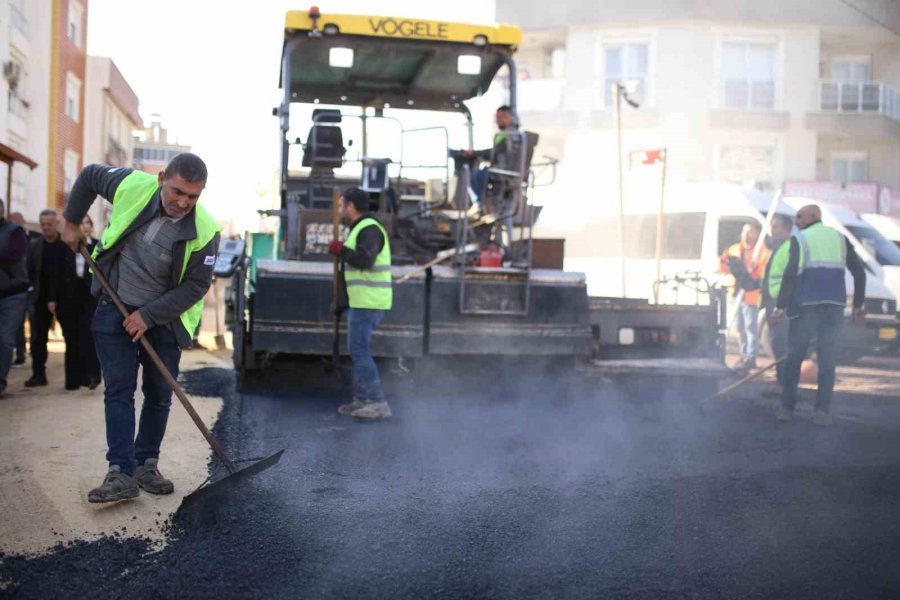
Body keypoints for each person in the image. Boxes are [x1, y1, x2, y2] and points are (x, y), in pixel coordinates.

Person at [60, 154, 220, 503]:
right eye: (177, 192)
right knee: (119, 389)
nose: (183, 203)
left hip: (164, 318)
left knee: (159, 393)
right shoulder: (131, 185)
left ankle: (146, 464)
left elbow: (196, 286)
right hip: (114, 304)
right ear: (162, 178)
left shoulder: (206, 230)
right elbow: (89, 176)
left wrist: (148, 316)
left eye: (193, 196)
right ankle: (120, 471)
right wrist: (71, 221)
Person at [771, 204, 866, 426]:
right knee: (827, 360)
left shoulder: (801, 239)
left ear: (814, 216)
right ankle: (822, 411)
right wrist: (858, 306)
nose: (796, 221)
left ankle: (786, 408)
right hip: (834, 307)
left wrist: (779, 307)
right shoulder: (839, 238)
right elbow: (859, 272)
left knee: (794, 358)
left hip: (806, 306)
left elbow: (790, 274)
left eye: (800, 217)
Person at [327, 187, 393, 422]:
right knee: (358, 351)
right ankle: (363, 400)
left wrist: (341, 250)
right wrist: (342, 303)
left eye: (341, 205)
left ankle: (377, 403)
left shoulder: (369, 229)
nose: (339, 210)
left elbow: (365, 260)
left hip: (369, 301)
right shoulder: (361, 229)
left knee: (359, 351)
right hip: (362, 301)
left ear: (351, 206)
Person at [50, 215, 101, 389]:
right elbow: (55, 274)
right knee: (71, 337)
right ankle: (73, 380)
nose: (84, 227)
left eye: (87, 223)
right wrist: (52, 298)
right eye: (80, 223)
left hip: (90, 296)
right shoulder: (64, 246)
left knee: (90, 335)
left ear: (91, 226)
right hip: (69, 296)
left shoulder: (98, 245)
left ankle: (93, 376)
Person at [25, 210, 70, 388]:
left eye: (49, 224)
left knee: (71, 337)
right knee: (37, 339)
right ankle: (38, 374)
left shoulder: (66, 245)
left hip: (63, 298)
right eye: (43, 224)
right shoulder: (35, 245)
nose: (45, 228)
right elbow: (29, 271)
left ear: (56, 224)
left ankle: (74, 377)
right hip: (40, 298)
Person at [720, 222, 770, 370]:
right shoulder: (734, 249)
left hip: (751, 295)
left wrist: (754, 269)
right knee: (739, 328)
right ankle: (743, 355)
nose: (746, 235)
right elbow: (723, 269)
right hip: (736, 294)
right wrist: (723, 261)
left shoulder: (763, 252)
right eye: (744, 231)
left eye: (750, 232)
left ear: (757, 234)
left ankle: (751, 357)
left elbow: (764, 274)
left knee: (750, 328)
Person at [759, 214, 793, 396]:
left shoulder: (790, 249)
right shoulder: (777, 250)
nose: (772, 230)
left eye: (776, 226)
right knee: (777, 345)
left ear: (786, 229)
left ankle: (786, 387)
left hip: (783, 306)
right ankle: (782, 385)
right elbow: (768, 279)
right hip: (773, 304)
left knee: (782, 344)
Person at [0, 199, 30, 398]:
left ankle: (0, 381)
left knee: (5, 338)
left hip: (12, 294)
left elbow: (13, 256)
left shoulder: (14, 232)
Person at [463, 105, 516, 205]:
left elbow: (494, 153)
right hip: (502, 169)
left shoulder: (509, 135)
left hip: (501, 170)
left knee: (474, 176)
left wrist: (474, 153)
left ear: (510, 118)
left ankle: (481, 204)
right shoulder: (507, 134)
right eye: (498, 117)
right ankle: (483, 203)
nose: (499, 120)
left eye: (503, 117)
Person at [8, 212, 38, 367]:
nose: (15, 225)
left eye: (18, 221)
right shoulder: (8, 239)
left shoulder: (35, 237)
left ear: (23, 221)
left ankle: (34, 350)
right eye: (12, 222)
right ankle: (20, 354)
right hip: (17, 288)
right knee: (18, 323)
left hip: (33, 289)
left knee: (34, 320)